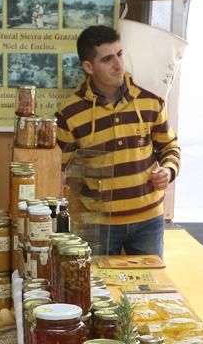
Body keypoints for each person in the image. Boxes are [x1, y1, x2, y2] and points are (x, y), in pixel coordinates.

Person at [56, 25, 181, 257]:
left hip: (149, 220)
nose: (118, 65)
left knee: (150, 288)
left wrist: (168, 170)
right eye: (107, 59)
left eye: (120, 54)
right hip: (97, 225)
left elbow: (169, 146)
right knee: (96, 290)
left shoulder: (150, 100)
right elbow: (60, 171)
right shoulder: (69, 114)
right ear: (88, 67)